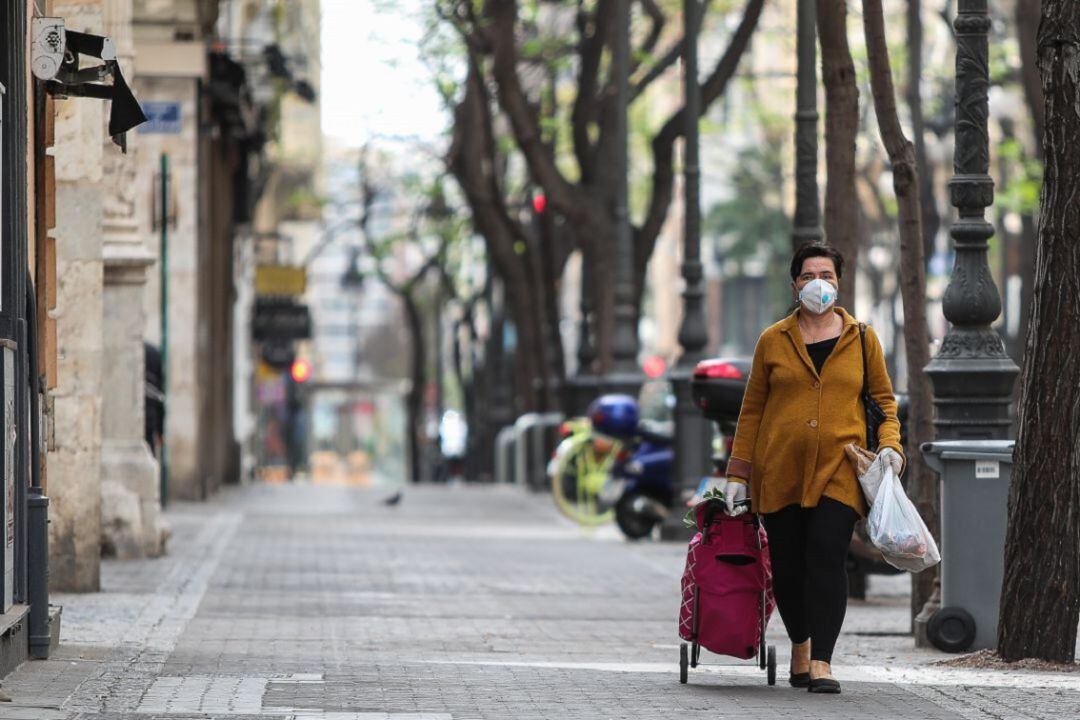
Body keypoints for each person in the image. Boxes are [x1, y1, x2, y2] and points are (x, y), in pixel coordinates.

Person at [723, 242, 904, 694]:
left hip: (840, 469)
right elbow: (751, 412)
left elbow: (883, 401)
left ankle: (822, 660)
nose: (817, 283)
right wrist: (736, 474)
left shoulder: (862, 338)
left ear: (838, 283)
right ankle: (800, 647)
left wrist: (891, 447)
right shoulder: (773, 340)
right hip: (780, 469)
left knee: (826, 554)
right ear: (795, 283)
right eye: (808, 276)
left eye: (826, 274)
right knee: (787, 567)